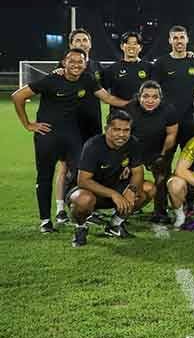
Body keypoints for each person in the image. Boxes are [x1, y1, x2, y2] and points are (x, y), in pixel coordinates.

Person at [11, 48, 129, 232]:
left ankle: (79, 214)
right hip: (47, 136)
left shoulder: (87, 79)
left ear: (85, 63)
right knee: (45, 177)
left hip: (73, 136)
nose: (76, 65)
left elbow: (107, 98)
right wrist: (28, 124)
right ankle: (45, 221)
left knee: (81, 176)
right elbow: (18, 96)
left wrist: (133, 103)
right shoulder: (51, 80)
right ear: (64, 63)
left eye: (80, 62)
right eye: (71, 61)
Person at [66, 110, 154, 247]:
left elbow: (138, 172)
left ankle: (115, 225)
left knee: (149, 189)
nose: (122, 134)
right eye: (117, 129)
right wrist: (114, 194)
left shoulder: (133, 143)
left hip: (116, 186)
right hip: (89, 191)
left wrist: (131, 190)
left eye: (126, 130)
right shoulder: (93, 146)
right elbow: (83, 181)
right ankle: (81, 227)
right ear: (107, 129)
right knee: (83, 200)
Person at [124, 80, 179, 224]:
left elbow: (171, 134)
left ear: (160, 98)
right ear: (139, 97)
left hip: (157, 149)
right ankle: (123, 208)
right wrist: (124, 159)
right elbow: (121, 136)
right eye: (146, 96)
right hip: (133, 150)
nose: (150, 100)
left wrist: (163, 155)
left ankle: (160, 211)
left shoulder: (169, 110)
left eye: (155, 97)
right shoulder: (129, 110)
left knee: (162, 178)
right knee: (126, 179)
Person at [151, 25, 194, 147]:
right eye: (175, 38)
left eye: (182, 37)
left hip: (190, 118)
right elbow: (153, 89)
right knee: (165, 157)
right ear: (170, 40)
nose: (179, 41)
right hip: (167, 118)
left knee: (189, 156)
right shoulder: (161, 63)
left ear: (187, 39)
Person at [68, 28, 104, 143]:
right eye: (77, 40)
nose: (82, 43)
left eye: (85, 40)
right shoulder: (62, 68)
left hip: (93, 122)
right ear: (71, 44)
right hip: (70, 123)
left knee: (93, 157)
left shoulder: (97, 66)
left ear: (90, 44)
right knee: (71, 159)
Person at [102, 31, 154, 101]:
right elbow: (103, 95)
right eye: (128, 43)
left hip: (142, 111)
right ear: (121, 46)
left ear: (140, 47)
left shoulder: (150, 68)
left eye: (135, 44)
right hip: (119, 111)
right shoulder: (111, 69)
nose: (131, 46)